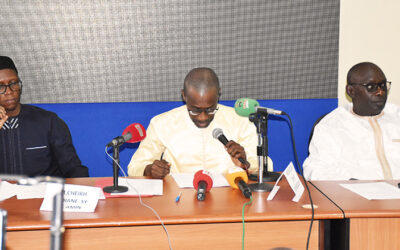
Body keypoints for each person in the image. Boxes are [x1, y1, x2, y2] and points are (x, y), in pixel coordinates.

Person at [128, 67, 269, 179]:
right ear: (184, 95)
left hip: (230, 199)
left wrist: (246, 163)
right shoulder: (162, 123)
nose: (202, 117)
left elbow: (266, 168)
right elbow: (135, 166)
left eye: (210, 109)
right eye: (194, 110)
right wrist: (150, 170)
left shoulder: (240, 120)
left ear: (218, 95)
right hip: (178, 202)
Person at [303, 62, 400, 180]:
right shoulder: (331, 126)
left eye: (383, 85)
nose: (380, 92)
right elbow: (315, 170)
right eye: (371, 87)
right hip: (357, 195)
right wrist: (351, 184)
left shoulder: (397, 116)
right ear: (350, 91)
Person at [0, 56, 88, 177]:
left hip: (44, 193)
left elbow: (73, 168)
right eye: (1, 86)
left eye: (13, 83)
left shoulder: (48, 121)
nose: (9, 91)